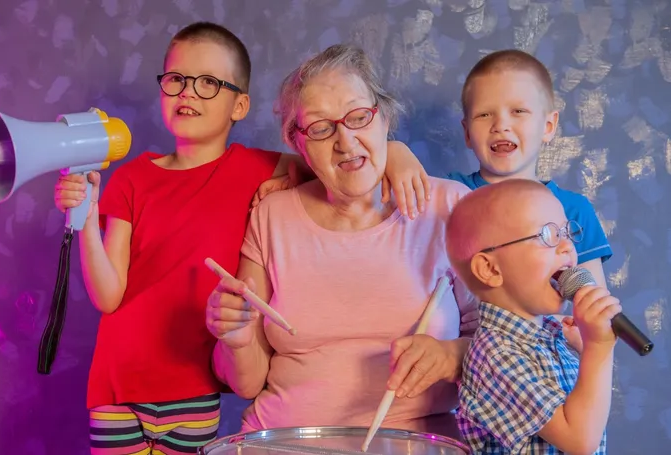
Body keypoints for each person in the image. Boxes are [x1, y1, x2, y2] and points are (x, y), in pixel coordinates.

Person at [52, 22, 429, 455]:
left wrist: (395, 153)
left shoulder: (259, 167)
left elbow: (339, 163)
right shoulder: (130, 179)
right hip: (117, 384)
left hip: (193, 386)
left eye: (208, 82)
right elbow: (107, 297)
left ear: (240, 105)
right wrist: (85, 217)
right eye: (176, 79)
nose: (188, 93)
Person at [205, 43, 479, 440]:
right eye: (320, 127)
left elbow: (508, 347)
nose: (346, 142)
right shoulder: (271, 216)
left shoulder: (450, 207)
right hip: (285, 441)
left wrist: (451, 356)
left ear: (384, 118)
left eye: (359, 117)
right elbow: (247, 384)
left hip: (412, 443)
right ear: (298, 144)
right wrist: (235, 338)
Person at [445, 178, 617, 454]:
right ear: (490, 269)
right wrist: (599, 348)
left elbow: (588, 410)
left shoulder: (553, 335)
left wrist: (587, 349)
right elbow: (579, 440)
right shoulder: (495, 354)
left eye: (567, 232)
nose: (567, 246)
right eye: (548, 235)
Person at [446, 49, 612, 292]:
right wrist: (398, 155)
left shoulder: (575, 212)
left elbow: (593, 301)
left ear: (548, 126)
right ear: (467, 133)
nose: (501, 125)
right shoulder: (448, 195)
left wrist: (591, 311)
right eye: (484, 114)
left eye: (518, 111)